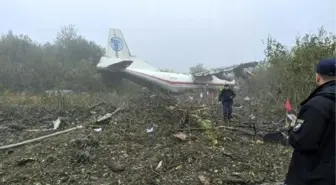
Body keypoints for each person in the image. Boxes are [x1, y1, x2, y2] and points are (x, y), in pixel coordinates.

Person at [285, 58, 336, 185]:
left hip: (314, 176)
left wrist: (294, 127)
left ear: (318, 78)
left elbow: (302, 141)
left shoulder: (317, 105)